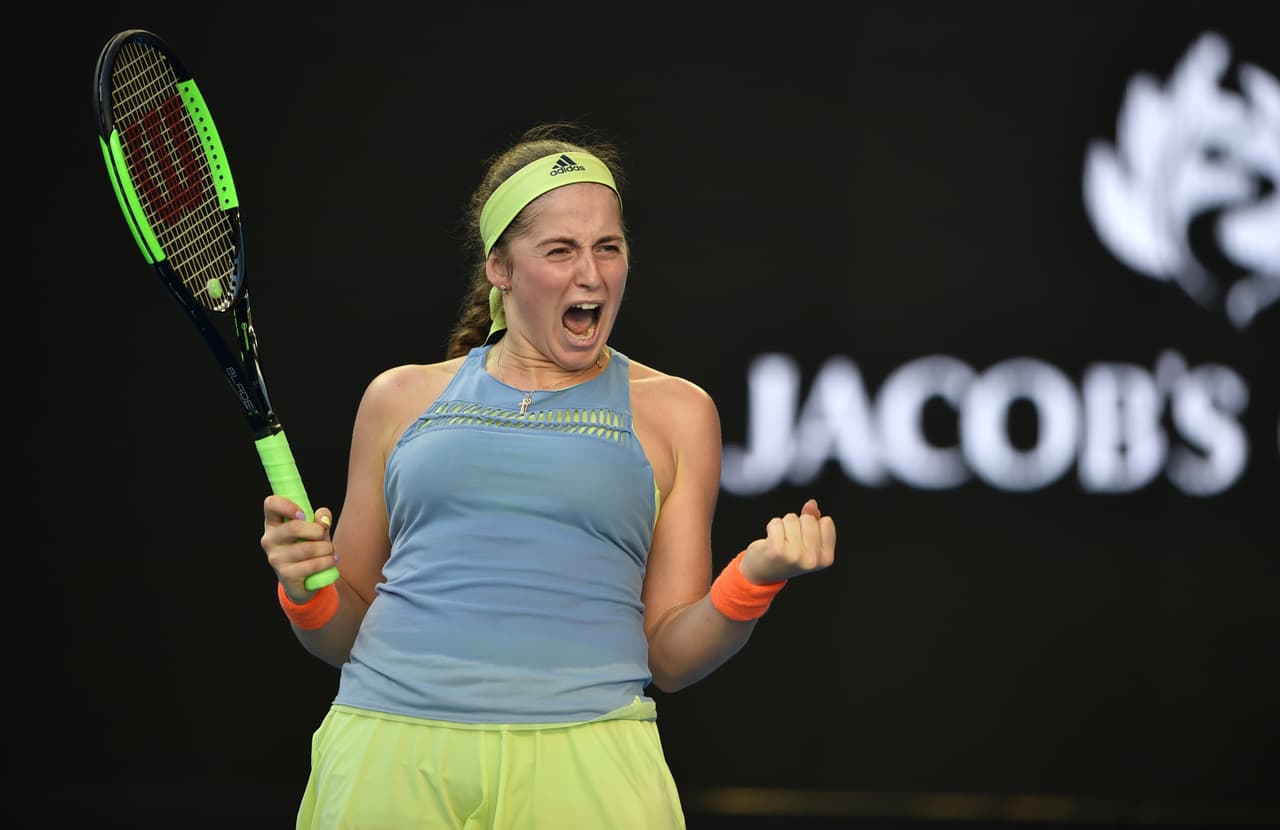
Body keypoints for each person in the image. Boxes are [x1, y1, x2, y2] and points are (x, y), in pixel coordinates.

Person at [260, 121, 837, 829]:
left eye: (608, 247)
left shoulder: (680, 413)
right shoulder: (397, 398)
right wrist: (304, 590)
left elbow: (671, 656)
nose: (591, 274)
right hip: (386, 751)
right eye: (560, 250)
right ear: (500, 268)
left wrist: (755, 578)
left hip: (589, 763)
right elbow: (343, 632)